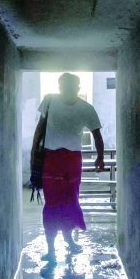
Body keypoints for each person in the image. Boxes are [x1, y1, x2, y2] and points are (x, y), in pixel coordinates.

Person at [31, 73, 105, 263]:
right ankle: (51, 249)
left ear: (78, 88)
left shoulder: (86, 109)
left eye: (70, 87)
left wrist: (100, 158)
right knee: (51, 203)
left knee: (71, 201)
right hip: (51, 159)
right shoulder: (49, 101)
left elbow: (97, 134)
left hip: (72, 160)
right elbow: (39, 129)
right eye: (63, 86)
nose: (66, 90)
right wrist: (34, 155)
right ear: (59, 86)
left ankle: (69, 240)